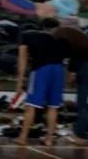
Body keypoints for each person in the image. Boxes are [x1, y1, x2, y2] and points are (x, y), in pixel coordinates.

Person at [14, 18, 67, 147]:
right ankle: (49, 139)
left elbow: (22, 58)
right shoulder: (61, 39)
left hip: (41, 70)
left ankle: (23, 137)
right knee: (53, 106)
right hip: (59, 70)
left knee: (31, 105)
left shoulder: (27, 35)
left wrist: (20, 80)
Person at [54, 25, 88, 145]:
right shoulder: (80, 39)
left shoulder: (62, 37)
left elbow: (74, 59)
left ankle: (80, 135)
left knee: (82, 102)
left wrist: (71, 74)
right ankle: (79, 132)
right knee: (82, 101)